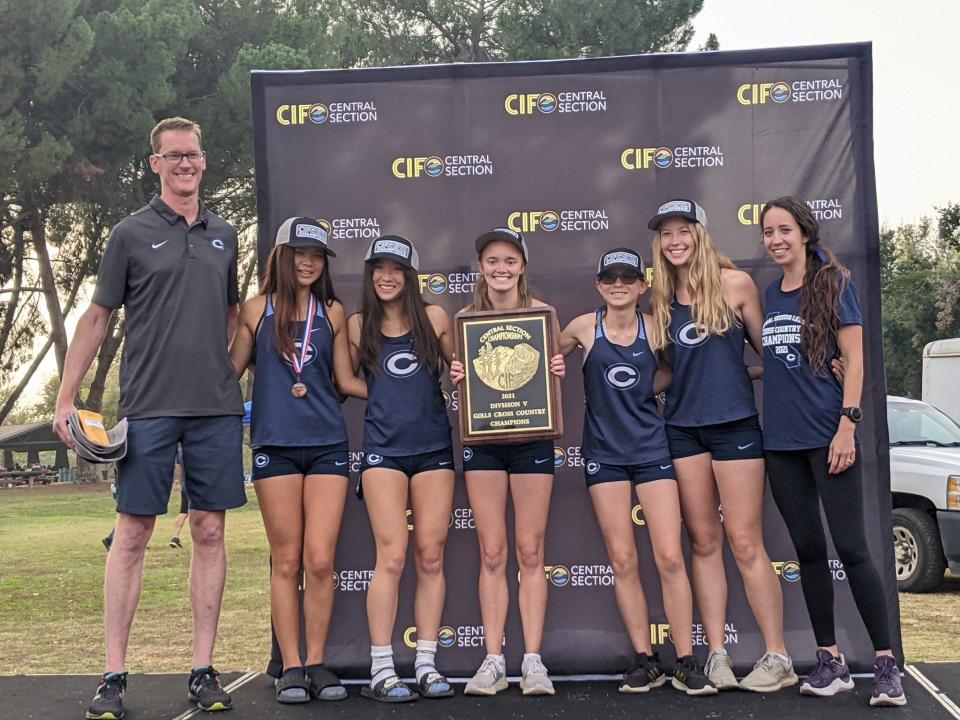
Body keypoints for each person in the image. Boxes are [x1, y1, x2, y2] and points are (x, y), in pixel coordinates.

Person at [53, 117, 245, 719]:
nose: (185, 164)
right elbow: (97, 318)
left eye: (193, 155)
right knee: (132, 534)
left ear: (203, 161)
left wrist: (226, 376)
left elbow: (235, 317)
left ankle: (202, 670)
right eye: (174, 156)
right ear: (155, 163)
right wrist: (66, 397)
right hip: (148, 409)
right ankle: (113, 675)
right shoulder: (129, 233)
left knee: (210, 532)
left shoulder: (226, 234)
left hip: (214, 412)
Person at [759, 197, 905, 706]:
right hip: (779, 444)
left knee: (855, 549)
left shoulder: (834, 284)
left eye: (783, 230)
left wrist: (847, 425)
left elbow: (856, 359)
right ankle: (831, 661)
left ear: (803, 232)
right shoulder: (771, 292)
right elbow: (778, 362)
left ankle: (887, 666)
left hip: (829, 439)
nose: (775, 239)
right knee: (809, 553)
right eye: (768, 233)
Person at [646, 200, 795, 692]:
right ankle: (717, 656)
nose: (674, 241)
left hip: (736, 427)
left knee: (747, 542)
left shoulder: (736, 285)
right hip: (683, 431)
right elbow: (669, 372)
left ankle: (778, 655)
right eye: (666, 233)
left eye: (682, 231)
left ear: (700, 234)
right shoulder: (661, 298)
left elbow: (771, 350)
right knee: (704, 542)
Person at [558, 248, 718, 695]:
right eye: (610, 277)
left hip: (651, 450)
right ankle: (644, 660)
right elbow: (540, 359)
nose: (619, 284)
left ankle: (686, 659)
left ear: (642, 285)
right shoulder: (582, 327)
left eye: (628, 277)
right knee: (624, 560)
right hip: (604, 454)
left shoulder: (657, 327)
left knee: (669, 556)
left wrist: (644, 392)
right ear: (599, 284)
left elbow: (676, 371)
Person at [229, 216, 365, 703]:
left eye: (316, 256)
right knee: (286, 561)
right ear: (281, 257)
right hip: (275, 446)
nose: (307, 263)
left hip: (328, 442)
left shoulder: (332, 312)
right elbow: (229, 373)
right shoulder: (255, 310)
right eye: (299, 254)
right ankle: (290, 667)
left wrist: (407, 394)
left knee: (321, 561)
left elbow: (347, 381)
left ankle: (317, 662)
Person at [449, 228, 565, 696]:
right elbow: (464, 385)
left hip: (532, 439)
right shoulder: (465, 320)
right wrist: (457, 373)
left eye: (510, 261)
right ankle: (493, 659)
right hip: (486, 443)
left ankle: (532, 661)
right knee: (493, 552)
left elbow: (551, 373)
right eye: (492, 261)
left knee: (530, 552)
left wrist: (555, 370)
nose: (501, 269)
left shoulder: (544, 315)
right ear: (481, 267)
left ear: (522, 267)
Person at [346, 235, 456, 702]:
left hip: (434, 448)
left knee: (430, 556)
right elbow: (344, 379)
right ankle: (382, 667)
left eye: (396, 268)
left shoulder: (434, 317)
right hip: (382, 452)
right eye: (378, 268)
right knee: (390, 557)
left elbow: (459, 370)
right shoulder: (356, 324)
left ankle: (427, 663)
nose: (386, 276)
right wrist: (389, 398)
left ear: (410, 276)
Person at [170, 447, 188, 549]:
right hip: (196, 485)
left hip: (185, 485)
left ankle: (175, 537)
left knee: (183, 512)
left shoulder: (180, 451)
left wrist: (181, 483)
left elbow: (180, 470)